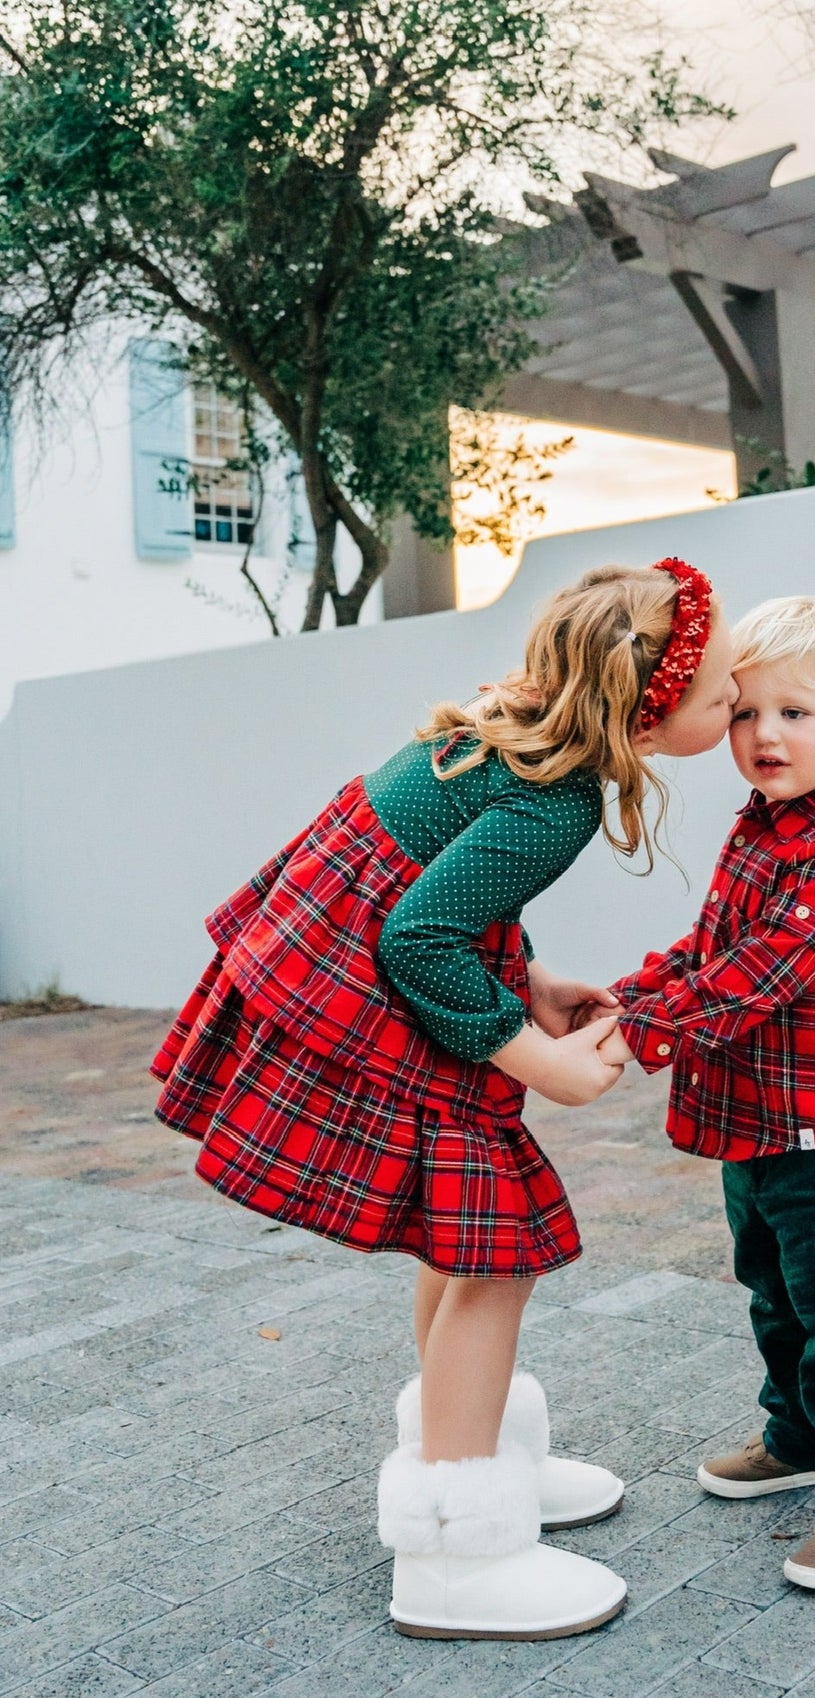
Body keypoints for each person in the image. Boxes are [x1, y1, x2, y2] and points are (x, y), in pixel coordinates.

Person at [151, 558, 737, 1640]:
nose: (738, 704)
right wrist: (536, 1055)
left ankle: (464, 1447)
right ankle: (456, 1559)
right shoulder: (557, 803)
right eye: (723, 695)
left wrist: (534, 982)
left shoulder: (511, 734)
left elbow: (452, 882)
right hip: (369, 987)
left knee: (455, 1232)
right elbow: (418, 933)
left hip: (350, 965)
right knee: (494, 1247)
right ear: (644, 710)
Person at [595, 595, 815, 1592]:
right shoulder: (759, 829)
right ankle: (797, 1437)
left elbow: (764, 973)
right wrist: (631, 995)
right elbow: (711, 951)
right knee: (777, 1294)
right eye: (745, 713)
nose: (764, 734)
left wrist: (637, 1036)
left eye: (796, 712)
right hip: (760, 1124)